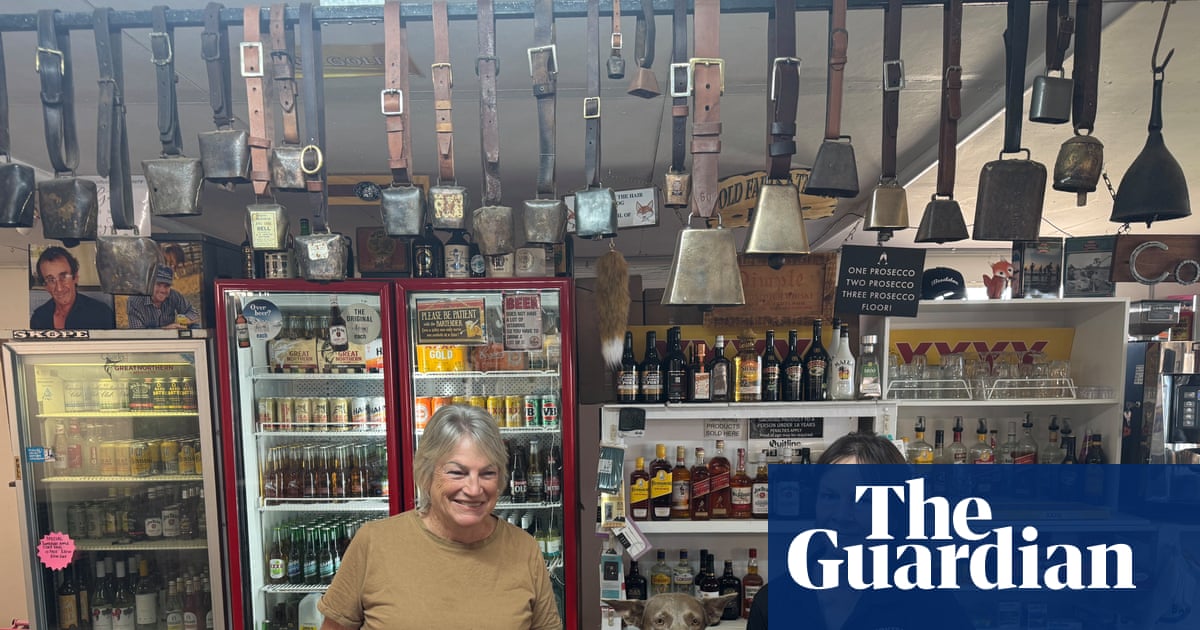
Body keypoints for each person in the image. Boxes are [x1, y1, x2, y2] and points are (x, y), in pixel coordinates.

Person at [319, 405, 561, 630]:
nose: (474, 489)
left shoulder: (523, 549)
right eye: (457, 472)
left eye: (487, 473)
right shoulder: (374, 543)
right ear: (426, 475)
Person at [747, 432, 972, 630]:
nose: (842, 515)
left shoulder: (930, 603)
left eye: (865, 499)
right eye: (830, 496)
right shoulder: (774, 602)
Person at [30, 246, 115, 330]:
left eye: (63, 277)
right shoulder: (39, 318)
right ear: (45, 286)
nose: (59, 288)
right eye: (51, 280)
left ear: (75, 277)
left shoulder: (101, 313)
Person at [126, 265, 200, 329]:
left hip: (171, 342)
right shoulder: (134, 301)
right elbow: (137, 333)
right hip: (147, 343)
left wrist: (186, 319)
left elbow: (193, 312)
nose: (162, 290)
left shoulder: (173, 295)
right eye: (158, 284)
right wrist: (165, 330)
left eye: (166, 286)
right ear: (149, 284)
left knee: (195, 326)